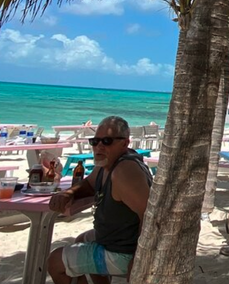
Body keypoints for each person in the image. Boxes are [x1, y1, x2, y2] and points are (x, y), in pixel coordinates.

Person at [47, 116, 152, 284]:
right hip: (114, 239)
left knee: (55, 262)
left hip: (123, 252)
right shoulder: (108, 163)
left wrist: (139, 257)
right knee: (82, 240)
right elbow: (89, 183)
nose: (99, 146)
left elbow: (150, 216)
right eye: (95, 141)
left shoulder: (124, 172)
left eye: (107, 141)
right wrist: (69, 193)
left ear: (125, 143)